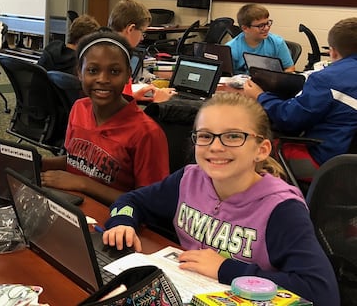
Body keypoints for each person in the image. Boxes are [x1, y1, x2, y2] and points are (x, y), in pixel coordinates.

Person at [102, 93, 339, 305]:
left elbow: (321, 292)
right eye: (205, 136)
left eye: (233, 136)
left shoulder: (281, 209)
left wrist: (226, 269)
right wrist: (122, 221)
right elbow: (132, 201)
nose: (215, 147)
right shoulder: (188, 179)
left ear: (262, 149)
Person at [41, 29, 169, 205]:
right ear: (80, 73)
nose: (103, 79)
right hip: (74, 207)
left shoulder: (146, 133)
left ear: (127, 75)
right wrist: (37, 162)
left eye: (115, 72)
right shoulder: (79, 108)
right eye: (93, 70)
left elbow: (150, 204)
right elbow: (78, 161)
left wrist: (84, 184)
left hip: (116, 223)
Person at [242, 17, 357, 165]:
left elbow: (289, 120)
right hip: (346, 157)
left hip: (328, 162)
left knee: (251, 148)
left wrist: (260, 96)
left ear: (332, 52)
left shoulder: (325, 79)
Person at [107, 0, 174, 102]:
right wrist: (157, 103)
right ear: (131, 29)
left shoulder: (105, 50)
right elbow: (121, 113)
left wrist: (132, 97)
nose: (142, 38)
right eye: (142, 32)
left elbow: (116, 99)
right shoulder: (116, 61)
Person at [227, 3, 295, 74]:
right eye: (261, 25)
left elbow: (290, 68)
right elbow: (227, 75)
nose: (266, 28)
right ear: (245, 28)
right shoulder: (231, 48)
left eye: (267, 23)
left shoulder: (277, 43)